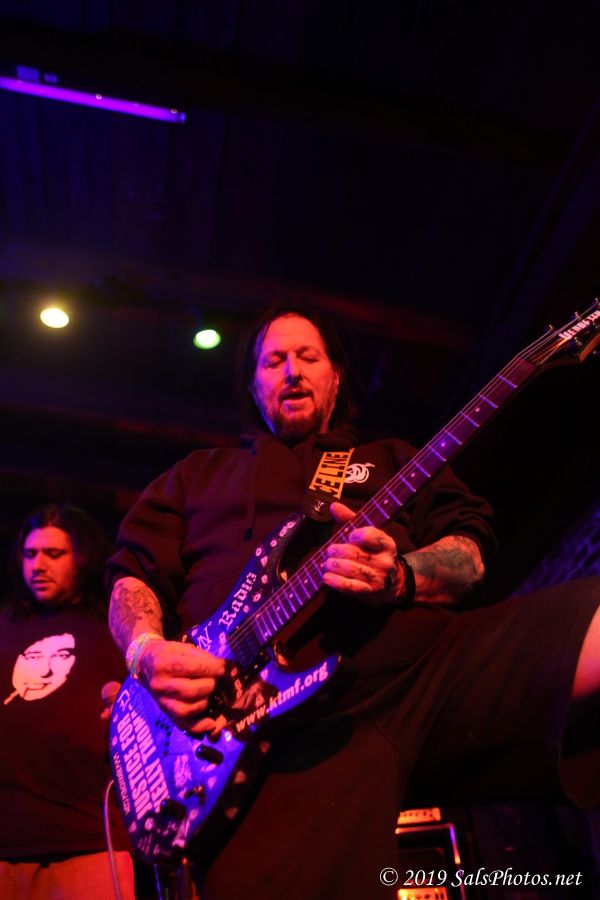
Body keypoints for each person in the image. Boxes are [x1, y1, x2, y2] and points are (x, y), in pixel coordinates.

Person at [107, 306, 600, 899]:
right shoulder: (197, 475)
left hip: (422, 676)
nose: (292, 371)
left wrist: (403, 574)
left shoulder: (393, 459)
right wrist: (145, 653)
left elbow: (469, 552)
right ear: (253, 386)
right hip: (268, 727)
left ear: (336, 378)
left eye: (308, 356)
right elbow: (131, 579)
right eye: (274, 360)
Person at [0, 502, 135, 900]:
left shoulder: (115, 623)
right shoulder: (4, 625)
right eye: (30, 554)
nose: (38, 566)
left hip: (90, 839)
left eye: (54, 553)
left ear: (83, 557)